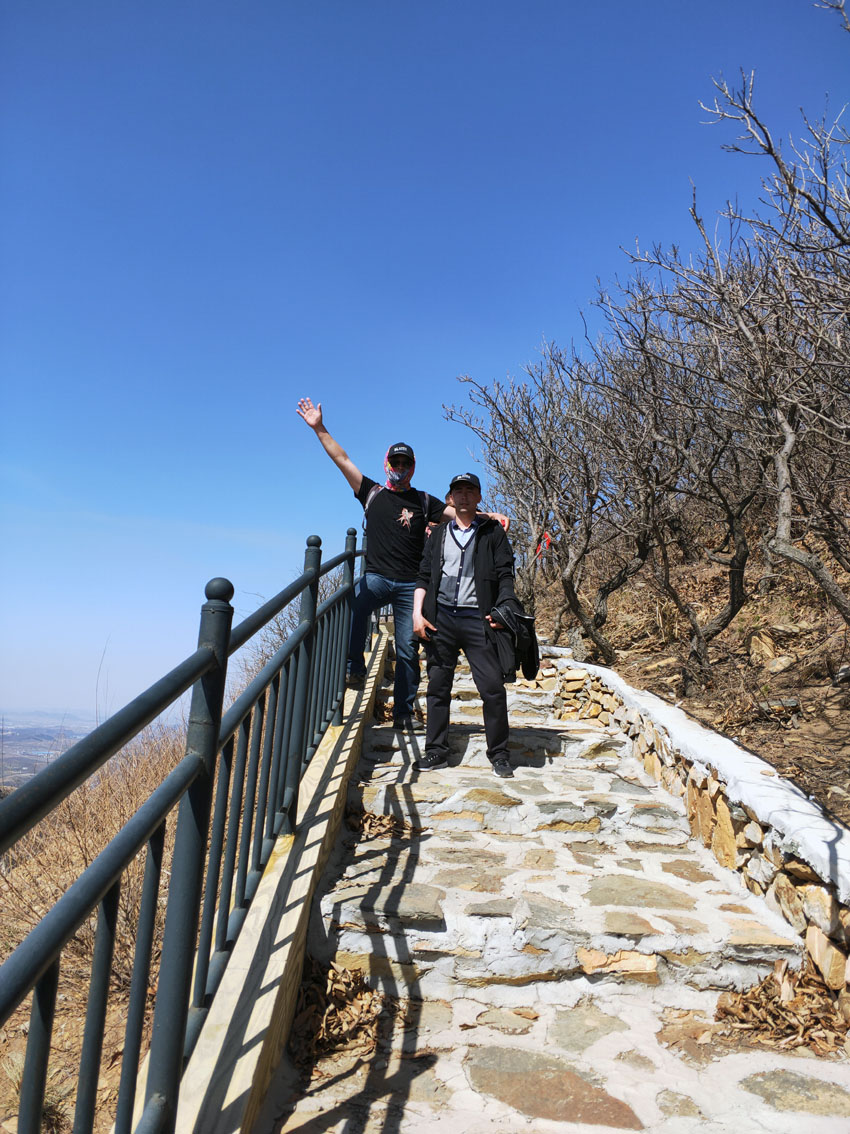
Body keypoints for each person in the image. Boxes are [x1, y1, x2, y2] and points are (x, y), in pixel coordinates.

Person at [296, 398, 507, 734]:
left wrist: (490, 517)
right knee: (354, 605)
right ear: (386, 463)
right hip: (378, 578)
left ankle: (403, 713)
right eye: (395, 461)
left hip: (411, 585)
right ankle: (354, 665)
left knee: (408, 651)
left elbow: (459, 514)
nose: (400, 466)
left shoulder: (425, 501)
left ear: (413, 466)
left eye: (405, 462)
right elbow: (341, 459)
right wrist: (319, 427)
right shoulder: (372, 493)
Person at [413, 472, 518, 777]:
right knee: (437, 687)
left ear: (479, 497)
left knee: (493, 689)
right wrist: (418, 613)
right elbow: (423, 575)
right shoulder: (439, 534)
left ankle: (499, 755)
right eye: (458, 491)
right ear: (450, 498)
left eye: (470, 491)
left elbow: (505, 574)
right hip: (441, 618)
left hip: (478, 618)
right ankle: (436, 751)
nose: (463, 496)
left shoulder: (492, 532)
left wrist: (503, 609)